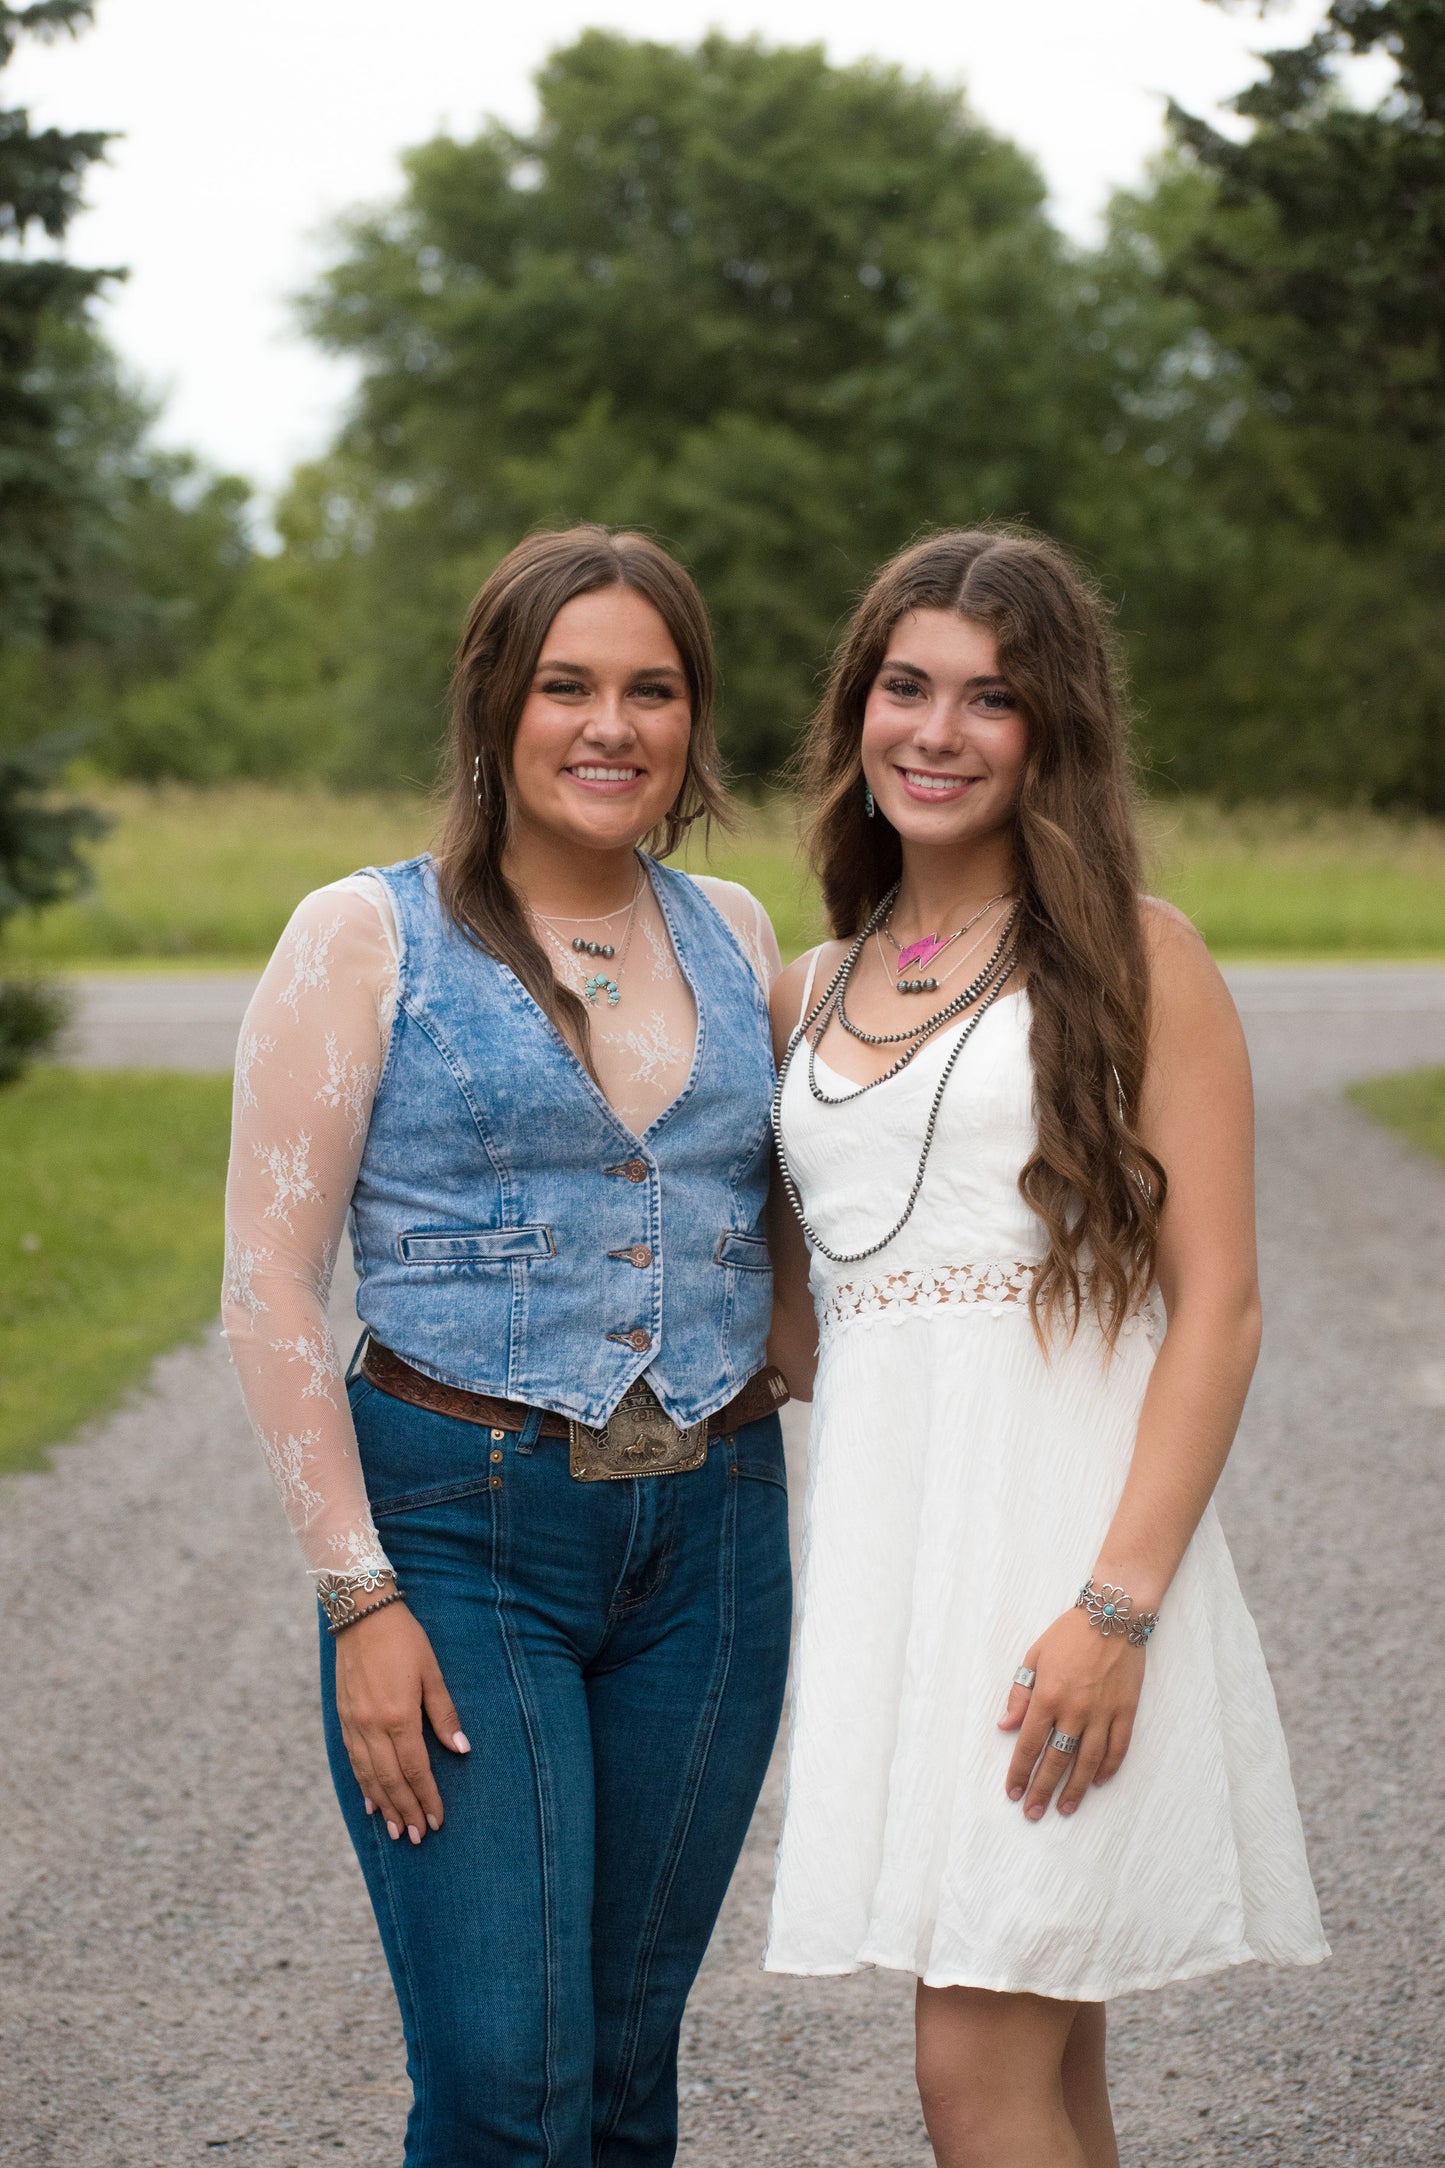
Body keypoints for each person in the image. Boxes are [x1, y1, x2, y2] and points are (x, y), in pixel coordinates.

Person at [222, 526, 793, 2167]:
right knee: (505, 2090)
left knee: (622, 2081)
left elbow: (799, 1244)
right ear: (494, 702)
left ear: (690, 723)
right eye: (567, 686)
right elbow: (268, 1285)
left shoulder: (737, 933)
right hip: (459, 1536)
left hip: (714, 1543)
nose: (609, 726)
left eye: (651, 690)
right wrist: (359, 1597)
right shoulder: (365, 934)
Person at [762, 527, 1327, 2168]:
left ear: (1050, 733)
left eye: (990, 699)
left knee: (974, 2071)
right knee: (1041, 2059)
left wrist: (1114, 1610)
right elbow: (813, 1306)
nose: (935, 732)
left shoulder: (1138, 959)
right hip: (897, 1582)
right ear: (858, 711)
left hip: (1066, 1580)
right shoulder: (808, 985)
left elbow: (1215, 1307)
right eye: (905, 686)